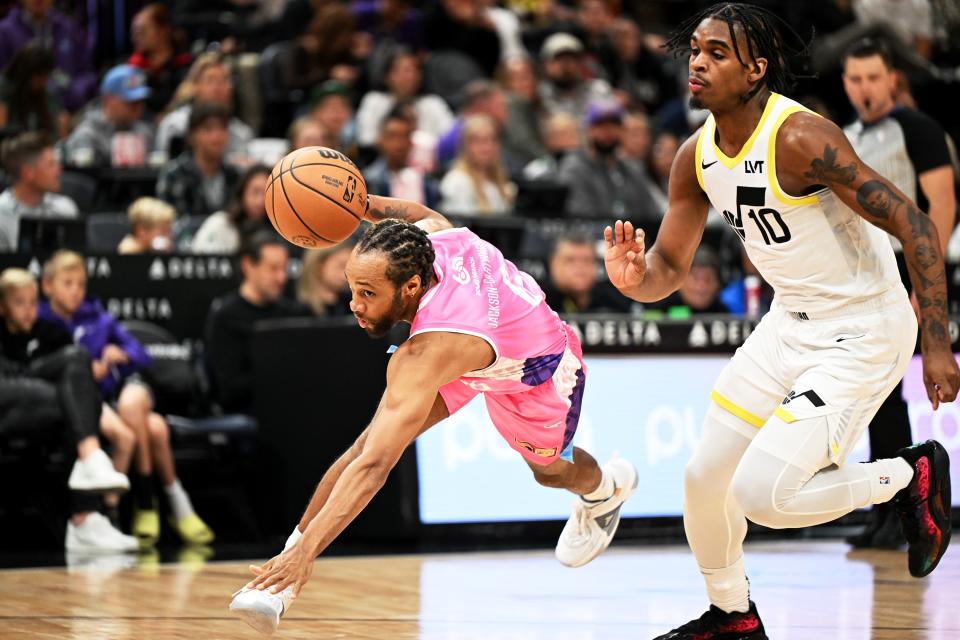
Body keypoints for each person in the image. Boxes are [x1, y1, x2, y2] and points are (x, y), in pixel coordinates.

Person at [602, 4, 958, 637]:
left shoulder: (801, 139)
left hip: (863, 327)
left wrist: (937, 341)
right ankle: (732, 617)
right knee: (704, 479)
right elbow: (668, 269)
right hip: (788, 323)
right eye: (696, 51)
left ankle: (910, 473)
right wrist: (637, 278)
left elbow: (916, 222)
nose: (698, 62)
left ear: (755, 69)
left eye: (717, 53)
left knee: (764, 495)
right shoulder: (694, 157)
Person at [228, 195, 638, 635]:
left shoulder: (424, 354)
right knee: (368, 441)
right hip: (479, 341)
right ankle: (278, 588)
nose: (354, 304)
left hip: (535, 368)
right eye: (352, 289)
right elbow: (417, 215)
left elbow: (374, 470)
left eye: (368, 293)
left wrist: (308, 553)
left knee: (550, 472)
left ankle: (606, 490)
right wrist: (356, 201)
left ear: (410, 287)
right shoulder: (433, 238)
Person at [841, 37, 956, 549]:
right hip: (857, 277)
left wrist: (924, 283)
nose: (864, 87)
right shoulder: (841, 137)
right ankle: (890, 509)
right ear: (845, 82)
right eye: (855, 78)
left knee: (885, 392)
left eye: (873, 77)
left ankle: (903, 506)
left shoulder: (920, 129)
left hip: (905, 268)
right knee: (873, 396)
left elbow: (943, 206)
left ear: (893, 78)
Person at [39, 251, 214, 547]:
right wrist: (85, 369)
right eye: (67, 283)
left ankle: (130, 509)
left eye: (80, 284)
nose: (75, 291)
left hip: (111, 397)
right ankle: (125, 510)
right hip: (78, 401)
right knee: (152, 429)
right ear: (48, 286)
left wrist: (118, 355)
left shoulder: (99, 318)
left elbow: (140, 354)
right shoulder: (41, 320)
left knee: (144, 418)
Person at [0, 268, 136, 552]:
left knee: (78, 362)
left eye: (31, 303)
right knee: (78, 402)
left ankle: (85, 516)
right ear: (2, 306)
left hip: (42, 402)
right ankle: (87, 500)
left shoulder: (50, 332)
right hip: (11, 396)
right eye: (18, 303)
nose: (27, 311)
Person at [205, 232, 309, 414]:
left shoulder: (293, 313)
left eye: (284, 269)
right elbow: (229, 387)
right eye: (273, 268)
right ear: (248, 266)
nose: (281, 278)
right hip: (250, 410)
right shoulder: (226, 316)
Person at [556, 99, 660, 225]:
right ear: (589, 129)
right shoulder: (574, 167)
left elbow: (651, 214)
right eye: (600, 125)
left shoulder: (632, 168)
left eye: (614, 124)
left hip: (636, 239)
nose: (608, 131)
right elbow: (580, 218)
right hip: (595, 239)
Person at [155, 52, 254, 165]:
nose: (217, 88)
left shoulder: (241, 133)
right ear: (195, 86)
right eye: (210, 80)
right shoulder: (175, 125)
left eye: (223, 81)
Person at [0, 0, 97, 112]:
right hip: (23, 114)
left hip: (70, 110)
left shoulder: (68, 28)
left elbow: (87, 73)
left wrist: (77, 91)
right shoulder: (5, 33)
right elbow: (3, 82)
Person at [354, 48, 454, 148]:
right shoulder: (374, 100)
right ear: (387, 76)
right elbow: (365, 139)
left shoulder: (433, 103)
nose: (411, 76)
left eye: (415, 70)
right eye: (405, 71)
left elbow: (451, 139)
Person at [156, 103, 241, 218]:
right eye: (209, 129)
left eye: (223, 128)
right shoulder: (174, 174)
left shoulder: (235, 176)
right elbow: (169, 222)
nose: (217, 136)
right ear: (191, 136)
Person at [63, 65, 155, 169]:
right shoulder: (87, 135)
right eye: (130, 102)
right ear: (108, 99)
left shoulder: (145, 133)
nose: (137, 107)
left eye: (140, 101)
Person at [0, 131, 78, 251]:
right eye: (51, 164)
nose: (59, 170)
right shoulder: (2, 215)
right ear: (28, 173)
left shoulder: (65, 208)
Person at [439, 114, 515, 216]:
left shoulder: (501, 180)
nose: (486, 147)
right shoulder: (457, 181)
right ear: (465, 146)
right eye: (478, 141)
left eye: (491, 139)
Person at [363, 109, 438, 208]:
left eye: (405, 136)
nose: (400, 144)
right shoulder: (368, 181)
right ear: (380, 141)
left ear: (411, 142)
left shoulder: (426, 181)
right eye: (392, 136)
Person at [128, 3, 193, 117]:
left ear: (163, 30)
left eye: (143, 30)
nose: (136, 37)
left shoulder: (186, 66)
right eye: (135, 32)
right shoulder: (130, 68)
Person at [192, 164, 270, 255]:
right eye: (255, 192)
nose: (260, 201)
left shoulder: (280, 230)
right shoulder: (220, 224)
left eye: (267, 193)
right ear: (242, 192)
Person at [543, 234, 631, 314]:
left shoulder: (613, 301)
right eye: (570, 260)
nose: (580, 267)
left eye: (587, 260)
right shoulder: (539, 301)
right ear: (552, 263)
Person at [0, 42, 64, 140]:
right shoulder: (4, 89)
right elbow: (2, 130)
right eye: (41, 77)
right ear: (27, 73)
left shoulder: (43, 94)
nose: (43, 82)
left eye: (46, 77)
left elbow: (57, 122)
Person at [650, 246, 730, 316]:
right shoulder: (659, 310)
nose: (701, 286)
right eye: (696, 278)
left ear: (718, 284)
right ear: (680, 281)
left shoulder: (725, 314)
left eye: (707, 279)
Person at [296, 243, 354, 317]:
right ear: (319, 266)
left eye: (349, 268)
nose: (346, 275)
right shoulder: (298, 312)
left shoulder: (350, 306)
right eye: (341, 266)